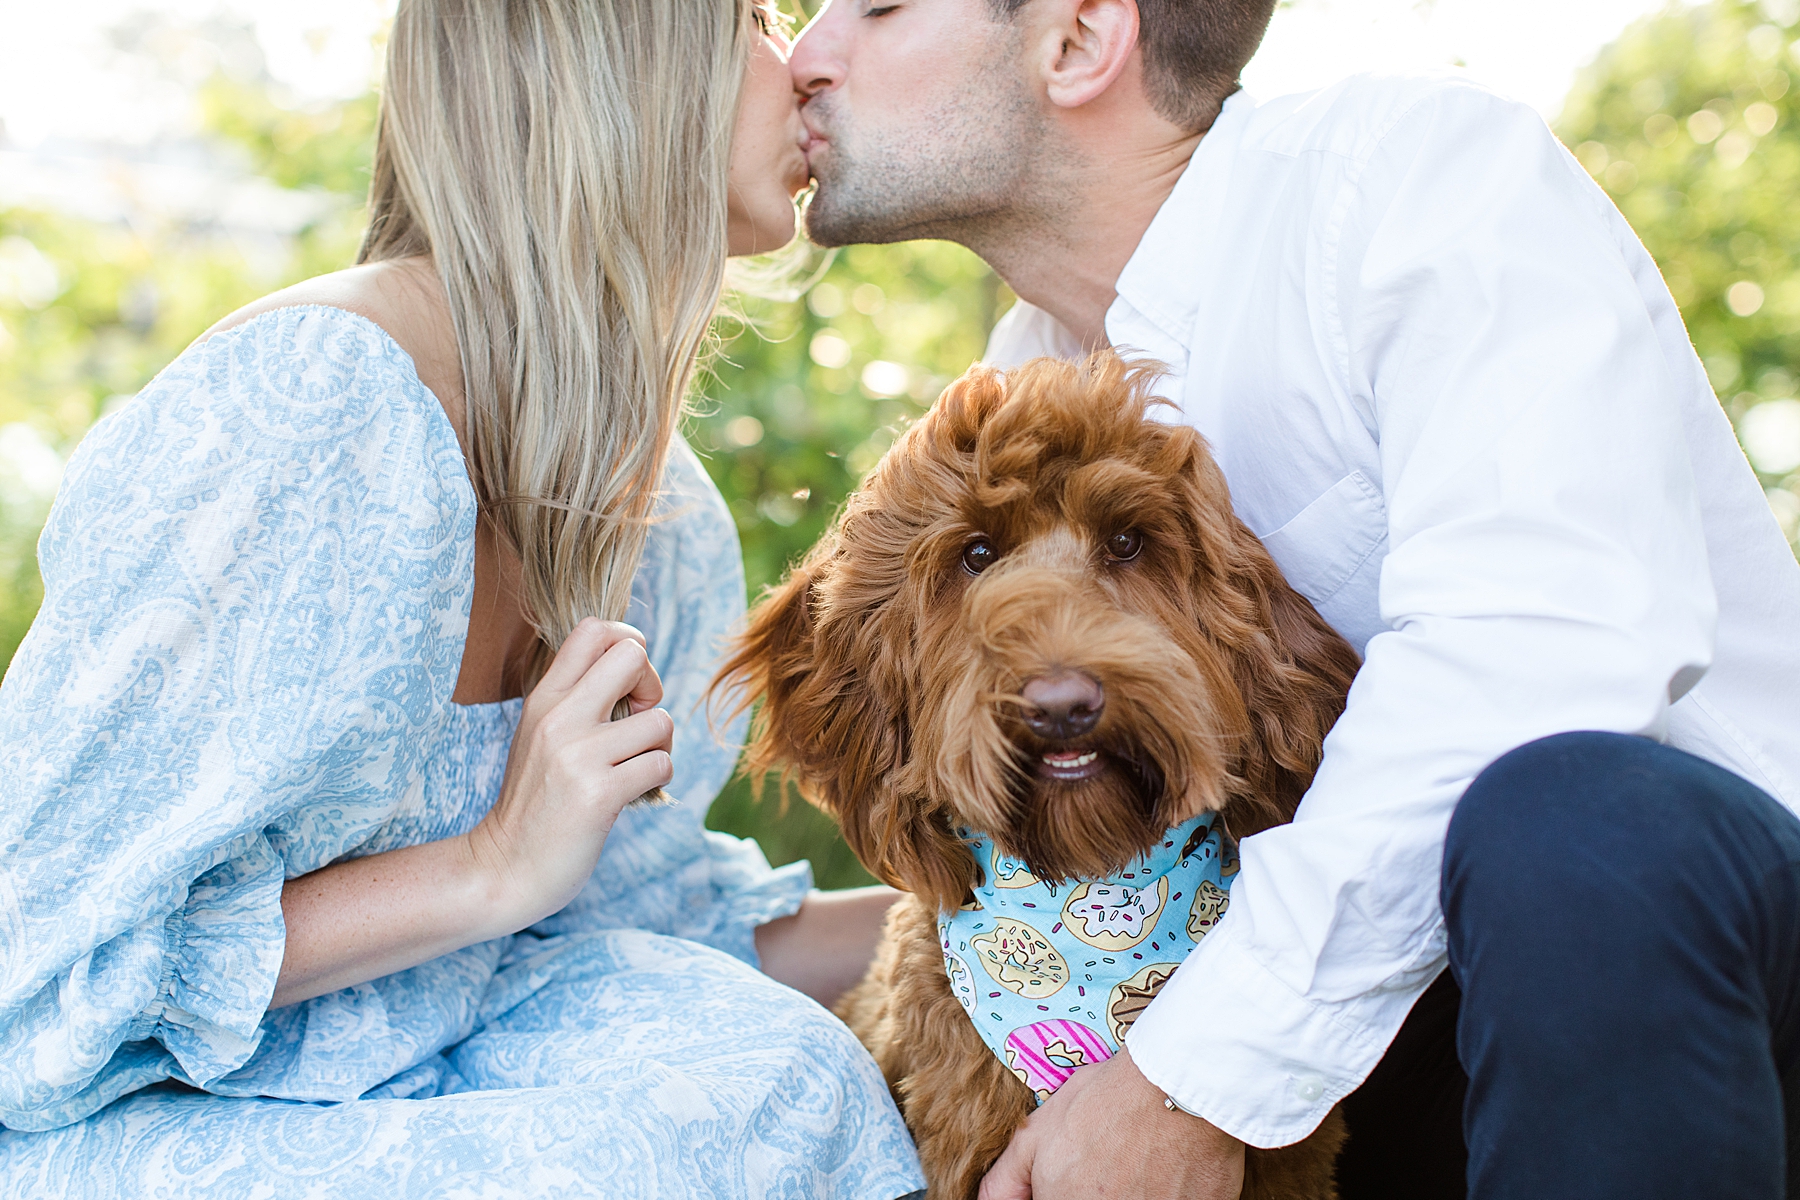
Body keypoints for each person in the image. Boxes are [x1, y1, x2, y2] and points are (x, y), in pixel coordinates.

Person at [787, 2, 1800, 1198]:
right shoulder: (1015, 387)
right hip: (1381, 1045)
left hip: (1682, 985)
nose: (804, 56)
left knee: (1567, 816)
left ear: (1078, 37)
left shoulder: (1415, 186)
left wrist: (1190, 1080)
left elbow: (1548, 660)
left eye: (879, 5)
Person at [0, 2, 925, 1196]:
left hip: (412, 1064)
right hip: (116, 1121)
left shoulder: (650, 503)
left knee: (776, 1079)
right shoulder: (317, 412)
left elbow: (650, 919)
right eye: (752, 15)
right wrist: (489, 864)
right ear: (615, 61)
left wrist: (1085, 928)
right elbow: (34, 963)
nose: (799, 60)